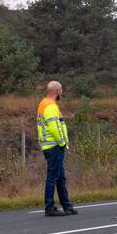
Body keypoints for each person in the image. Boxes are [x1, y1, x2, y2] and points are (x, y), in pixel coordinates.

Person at [36, 80, 77, 217]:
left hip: (48, 145)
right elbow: (54, 127)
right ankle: (50, 207)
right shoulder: (51, 106)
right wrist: (62, 143)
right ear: (57, 91)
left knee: (60, 177)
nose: (62, 92)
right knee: (54, 177)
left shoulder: (43, 103)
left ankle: (66, 206)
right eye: (61, 90)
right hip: (54, 146)